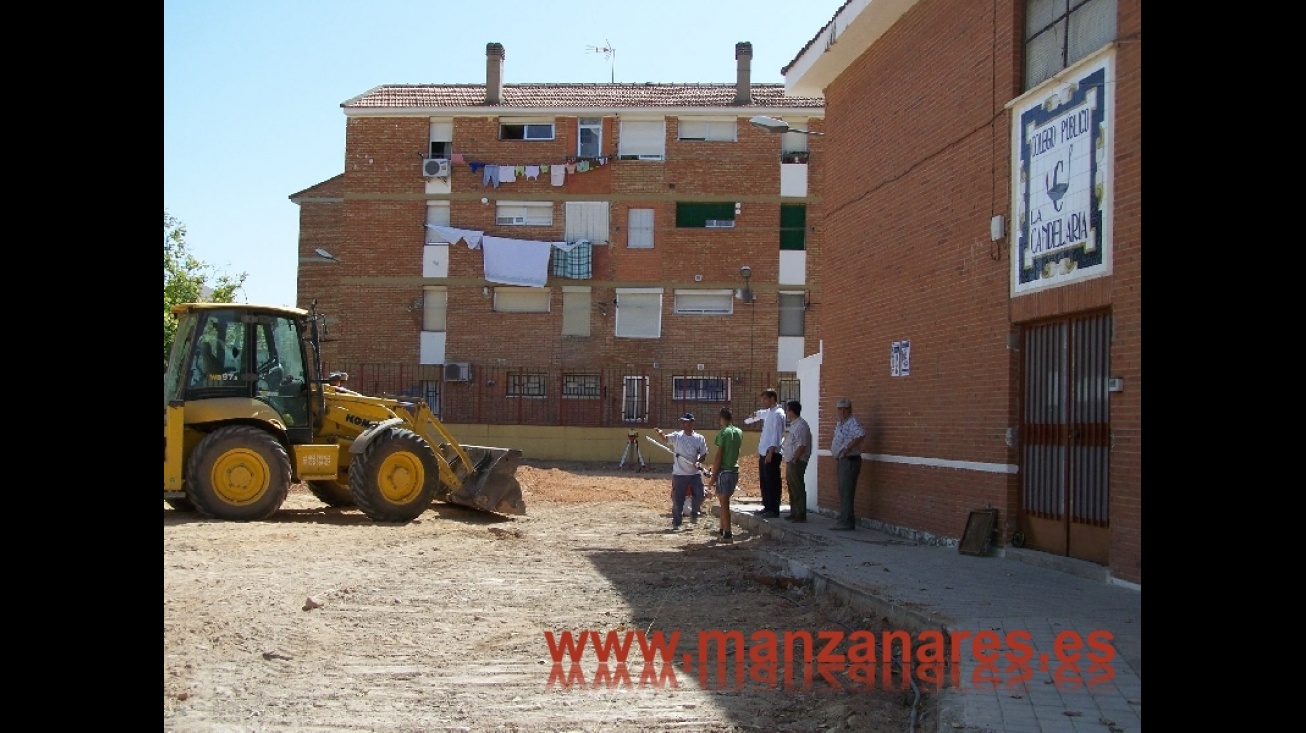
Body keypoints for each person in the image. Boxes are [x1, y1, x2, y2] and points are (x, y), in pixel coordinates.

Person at [661, 413, 709, 531]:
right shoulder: (677, 436)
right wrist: (660, 433)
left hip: (695, 473)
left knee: (700, 495)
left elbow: (703, 453)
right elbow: (666, 439)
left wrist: (698, 461)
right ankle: (677, 522)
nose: (684, 424)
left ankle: (694, 513)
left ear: (692, 423)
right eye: (683, 422)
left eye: (686, 422)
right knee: (678, 499)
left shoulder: (699, 438)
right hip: (680, 474)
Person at [829, 397, 867, 531]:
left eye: (845, 409)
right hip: (842, 460)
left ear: (850, 409)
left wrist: (847, 449)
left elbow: (861, 435)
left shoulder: (852, 422)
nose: (842, 411)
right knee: (843, 490)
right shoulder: (840, 423)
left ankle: (847, 521)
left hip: (850, 460)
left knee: (847, 491)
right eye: (840, 409)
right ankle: (844, 518)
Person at [705, 407, 743, 540]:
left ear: (721, 418)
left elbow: (719, 454)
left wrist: (713, 475)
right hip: (734, 470)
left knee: (724, 502)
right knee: (723, 500)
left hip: (725, 471)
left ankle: (727, 531)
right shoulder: (739, 432)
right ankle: (722, 528)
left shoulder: (723, 433)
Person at [753, 389, 786, 518]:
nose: (763, 401)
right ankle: (767, 506)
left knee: (772, 481)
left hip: (772, 452)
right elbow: (761, 414)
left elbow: (777, 435)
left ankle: (774, 508)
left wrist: (771, 451)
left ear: (772, 398)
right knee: (765, 481)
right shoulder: (770, 412)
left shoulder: (778, 414)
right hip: (764, 451)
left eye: (765, 398)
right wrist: (754, 415)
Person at [782, 400, 811, 522]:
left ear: (792, 411)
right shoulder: (794, 424)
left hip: (797, 461)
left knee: (797, 486)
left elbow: (802, 445)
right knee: (791, 486)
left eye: (788, 410)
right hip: (790, 460)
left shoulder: (802, 425)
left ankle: (800, 513)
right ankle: (794, 511)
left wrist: (795, 458)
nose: (787, 413)